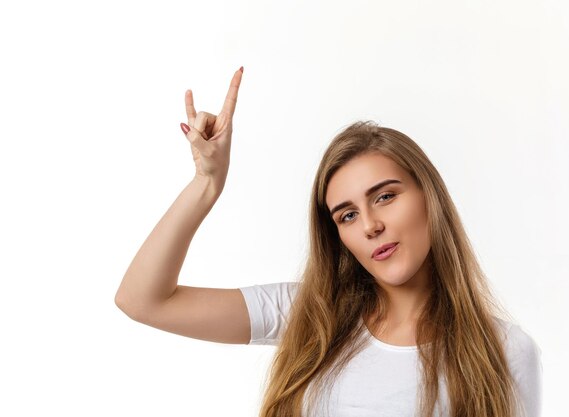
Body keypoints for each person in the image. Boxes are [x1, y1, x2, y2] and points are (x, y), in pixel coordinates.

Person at [115, 67, 542, 417]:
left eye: (386, 197)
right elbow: (143, 300)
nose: (371, 225)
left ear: (430, 197)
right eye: (348, 215)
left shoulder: (504, 352)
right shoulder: (310, 315)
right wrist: (206, 184)